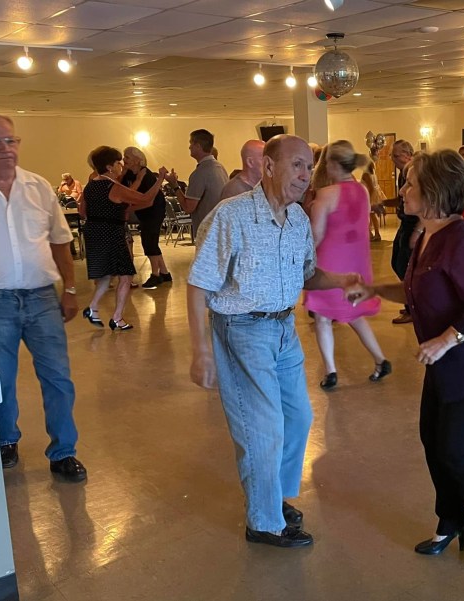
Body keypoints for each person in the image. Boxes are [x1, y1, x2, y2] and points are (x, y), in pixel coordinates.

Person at [350, 149, 464, 573]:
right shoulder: (426, 235)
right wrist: (374, 290)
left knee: (457, 452)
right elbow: (417, 289)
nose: (403, 190)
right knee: (433, 442)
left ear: (433, 191)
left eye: (410, 184)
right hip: (444, 362)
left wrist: (445, 340)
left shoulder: (461, 241)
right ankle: (451, 520)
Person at [186, 135, 362, 548]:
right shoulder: (232, 216)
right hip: (242, 329)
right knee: (262, 428)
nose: (305, 176)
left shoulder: (298, 219)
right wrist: (200, 349)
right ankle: (263, 522)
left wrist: (341, 280)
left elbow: (307, 274)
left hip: (284, 329)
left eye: (309, 167)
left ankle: (272, 498)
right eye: (297, 165)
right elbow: (198, 284)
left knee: (298, 418)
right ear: (267, 167)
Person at [0, 114, 86, 482]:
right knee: (0, 379)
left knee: (58, 378)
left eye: (11, 141)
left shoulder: (38, 187)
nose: (6, 149)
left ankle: (63, 451)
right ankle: (5, 440)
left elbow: (60, 241)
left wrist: (69, 289)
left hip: (42, 299)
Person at [306, 140, 391, 390]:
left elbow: (316, 234)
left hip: (330, 262)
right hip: (356, 260)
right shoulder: (362, 190)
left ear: (332, 164)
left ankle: (331, 371)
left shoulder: (326, 194)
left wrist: (302, 258)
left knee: (322, 316)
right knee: (354, 313)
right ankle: (380, 359)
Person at [80, 146, 167, 331]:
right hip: (111, 233)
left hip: (94, 233)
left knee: (107, 275)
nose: (121, 165)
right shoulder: (114, 188)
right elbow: (147, 199)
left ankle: (93, 307)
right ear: (110, 166)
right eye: (118, 163)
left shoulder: (90, 186)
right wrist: (160, 179)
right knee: (126, 276)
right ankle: (117, 318)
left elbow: (82, 211)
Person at [165, 129, 228, 243]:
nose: (189, 147)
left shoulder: (200, 173)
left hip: (208, 232)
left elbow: (188, 207)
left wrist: (174, 185)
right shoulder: (220, 167)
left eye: (191, 143)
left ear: (198, 146)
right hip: (220, 228)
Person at [122, 146, 172, 289]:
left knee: (149, 241)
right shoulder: (129, 174)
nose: (124, 160)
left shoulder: (147, 175)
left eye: (127, 157)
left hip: (154, 210)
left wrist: (128, 209)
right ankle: (165, 273)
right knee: (151, 241)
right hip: (143, 212)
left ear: (137, 160)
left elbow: (149, 201)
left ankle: (155, 275)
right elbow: (126, 192)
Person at [385, 139, 418, 324]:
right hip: (405, 223)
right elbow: (400, 199)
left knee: (405, 266)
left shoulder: (415, 172)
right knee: (397, 263)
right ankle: (410, 302)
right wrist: (381, 204)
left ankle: (413, 307)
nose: (393, 160)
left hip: (413, 224)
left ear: (408, 155)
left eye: (396, 156)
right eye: (392, 156)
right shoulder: (402, 174)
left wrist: (419, 229)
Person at [360, 161, 384, 241]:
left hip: (370, 196)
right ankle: (372, 233)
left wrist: (368, 199)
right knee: (371, 215)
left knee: (369, 215)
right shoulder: (372, 173)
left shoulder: (366, 174)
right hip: (373, 196)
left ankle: (373, 234)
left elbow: (371, 188)